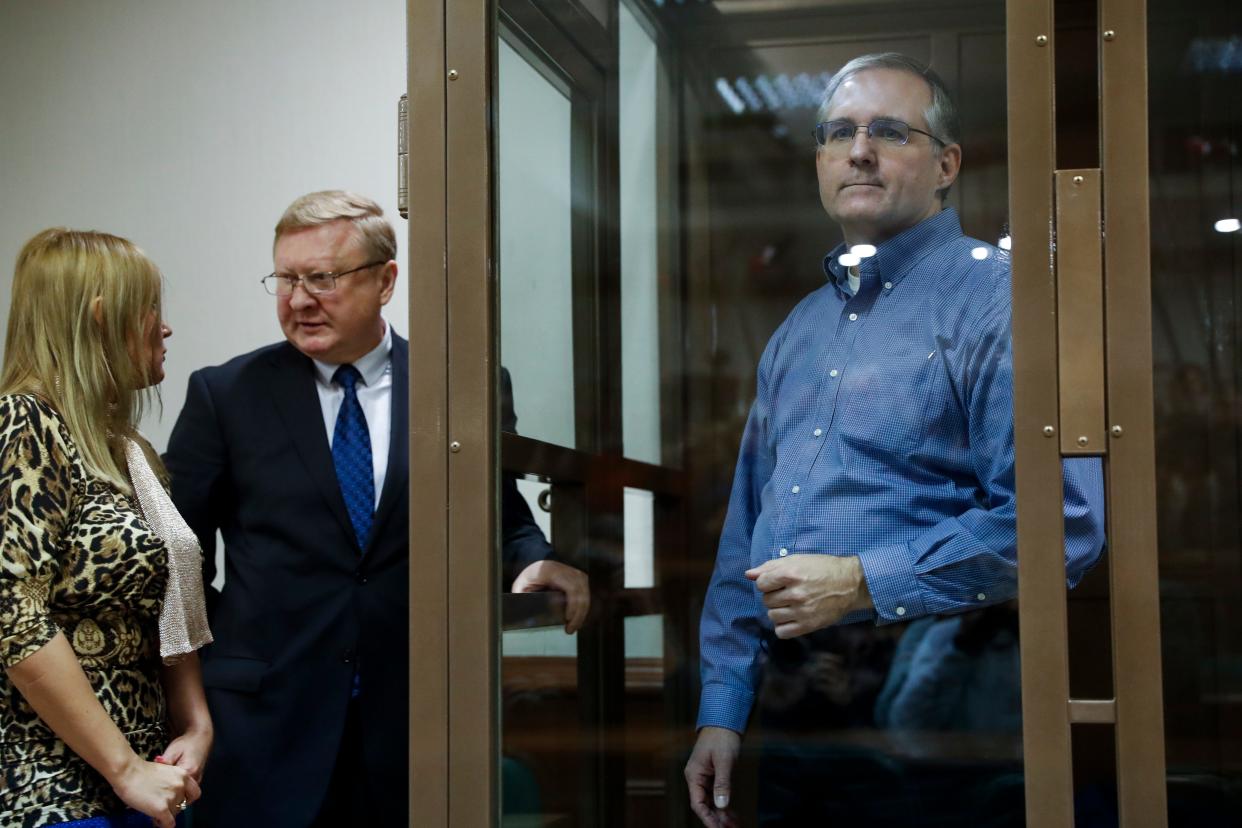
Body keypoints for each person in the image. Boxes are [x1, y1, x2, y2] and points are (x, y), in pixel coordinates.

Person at [683, 53, 1106, 827]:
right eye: (838, 133)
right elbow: (747, 532)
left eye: (888, 131)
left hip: (932, 703)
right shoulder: (798, 331)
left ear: (947, 165)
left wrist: (859, 581)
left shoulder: (1000, 301)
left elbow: (1063, 523)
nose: (859, 150)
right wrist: (724, 704)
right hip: (790, 706)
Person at [164, 190, 588, 827]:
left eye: (323, 278)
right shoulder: (224, 394)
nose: (299, 299)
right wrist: (243, 642)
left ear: (385, 280)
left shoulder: (462, 386)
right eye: (286, 278)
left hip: (416, 723)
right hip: (264, 725)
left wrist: (536, 560)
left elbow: (501, 518)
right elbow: (180, 559)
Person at [0, 229, 212, 828]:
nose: (163, 327)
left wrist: (196, 726)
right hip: (56, 794)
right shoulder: (26, 421)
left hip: (149, 778)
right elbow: (12, 612)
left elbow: (171, 601)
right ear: (100, 317)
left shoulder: (128, 449)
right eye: (150, 309)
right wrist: (124, 769)